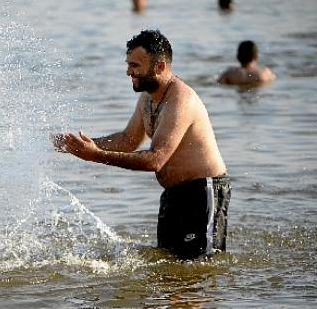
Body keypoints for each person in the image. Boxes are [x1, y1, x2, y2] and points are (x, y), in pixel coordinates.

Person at [53, 30, 231, 260]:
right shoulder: (147, 97)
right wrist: (79, 145)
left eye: (135, 65)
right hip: (172, 194)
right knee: (169, 267)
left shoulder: (181, 100)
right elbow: (128, 140)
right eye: (128, 64)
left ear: (160, 67)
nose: (128, 71)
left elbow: (155, 160)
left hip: (202, 192)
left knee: (199, 271)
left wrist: (95, 155)